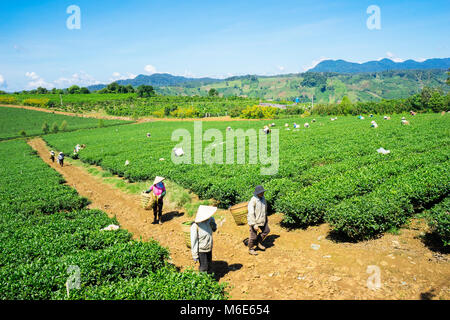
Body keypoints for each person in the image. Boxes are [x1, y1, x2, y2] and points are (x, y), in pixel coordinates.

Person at [190, 205, 217, 274]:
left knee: (210, 265)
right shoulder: (195, 226)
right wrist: (195, 254)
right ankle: (203, 281)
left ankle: (210, 280)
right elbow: (194, 241)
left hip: (209, 247)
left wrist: (214, 226)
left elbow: (214, 229)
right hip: (201, 250)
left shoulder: (211, 220)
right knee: (204, 267)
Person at [247, 185, 270, 256]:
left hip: (262, 219)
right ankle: (250, 249)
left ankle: (258, 242)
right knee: (253, 236)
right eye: (261, 192)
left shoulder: (263, 198)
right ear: (257, 193)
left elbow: (264, 208)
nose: (263, 193)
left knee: (266, 231)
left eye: (263, 192)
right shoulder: (253, 200)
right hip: (254, 220)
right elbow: (251, 213)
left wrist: (265, 218)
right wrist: (254, 224)